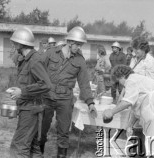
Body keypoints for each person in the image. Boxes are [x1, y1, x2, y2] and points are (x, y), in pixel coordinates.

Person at [40, 26, 97, 158]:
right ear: (70, 42)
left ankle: (61, 155)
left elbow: (84, 83)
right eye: (78, 44)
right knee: (42, 127)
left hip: (65, 98)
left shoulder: (79, 60)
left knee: (64, 130)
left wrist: (90, 103)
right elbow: (39, 70)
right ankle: (39, 151)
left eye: (81, 45)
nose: (79, 48)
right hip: (47, 95)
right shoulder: (51, 52)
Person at [103, 65, 154, 158]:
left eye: (119, 80)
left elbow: (127, 102)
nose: (120, 84)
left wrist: (111, 112)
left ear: (122, 76)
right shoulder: (137, 79)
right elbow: (135, 107)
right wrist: (129, 125)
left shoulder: (131, 81)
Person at [8, 28, 52, 158]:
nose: (14, 45)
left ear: (21, 44)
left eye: (15, 42)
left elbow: (46, 84)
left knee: (19, 147)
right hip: (29, 108)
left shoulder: (34, 60)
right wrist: (19, 90)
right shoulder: (26, 59)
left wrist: (22, 91)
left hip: (31, 109)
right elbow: (30, 82)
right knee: (33, 149)